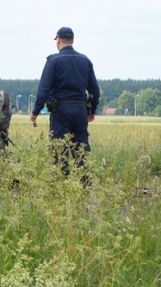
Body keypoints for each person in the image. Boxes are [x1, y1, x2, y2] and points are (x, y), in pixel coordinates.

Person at [30, 27, 100, 179]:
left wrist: (36, 111)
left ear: (59, 40)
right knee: (80, 149)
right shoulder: (85, 61)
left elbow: (44, 89)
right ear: (72, 40)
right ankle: (84, 185)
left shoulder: (53, 61)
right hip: (80, 110)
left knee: (59, 150)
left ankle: (61, 185)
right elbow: (94, 90)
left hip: (60, 111)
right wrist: (91, 110)